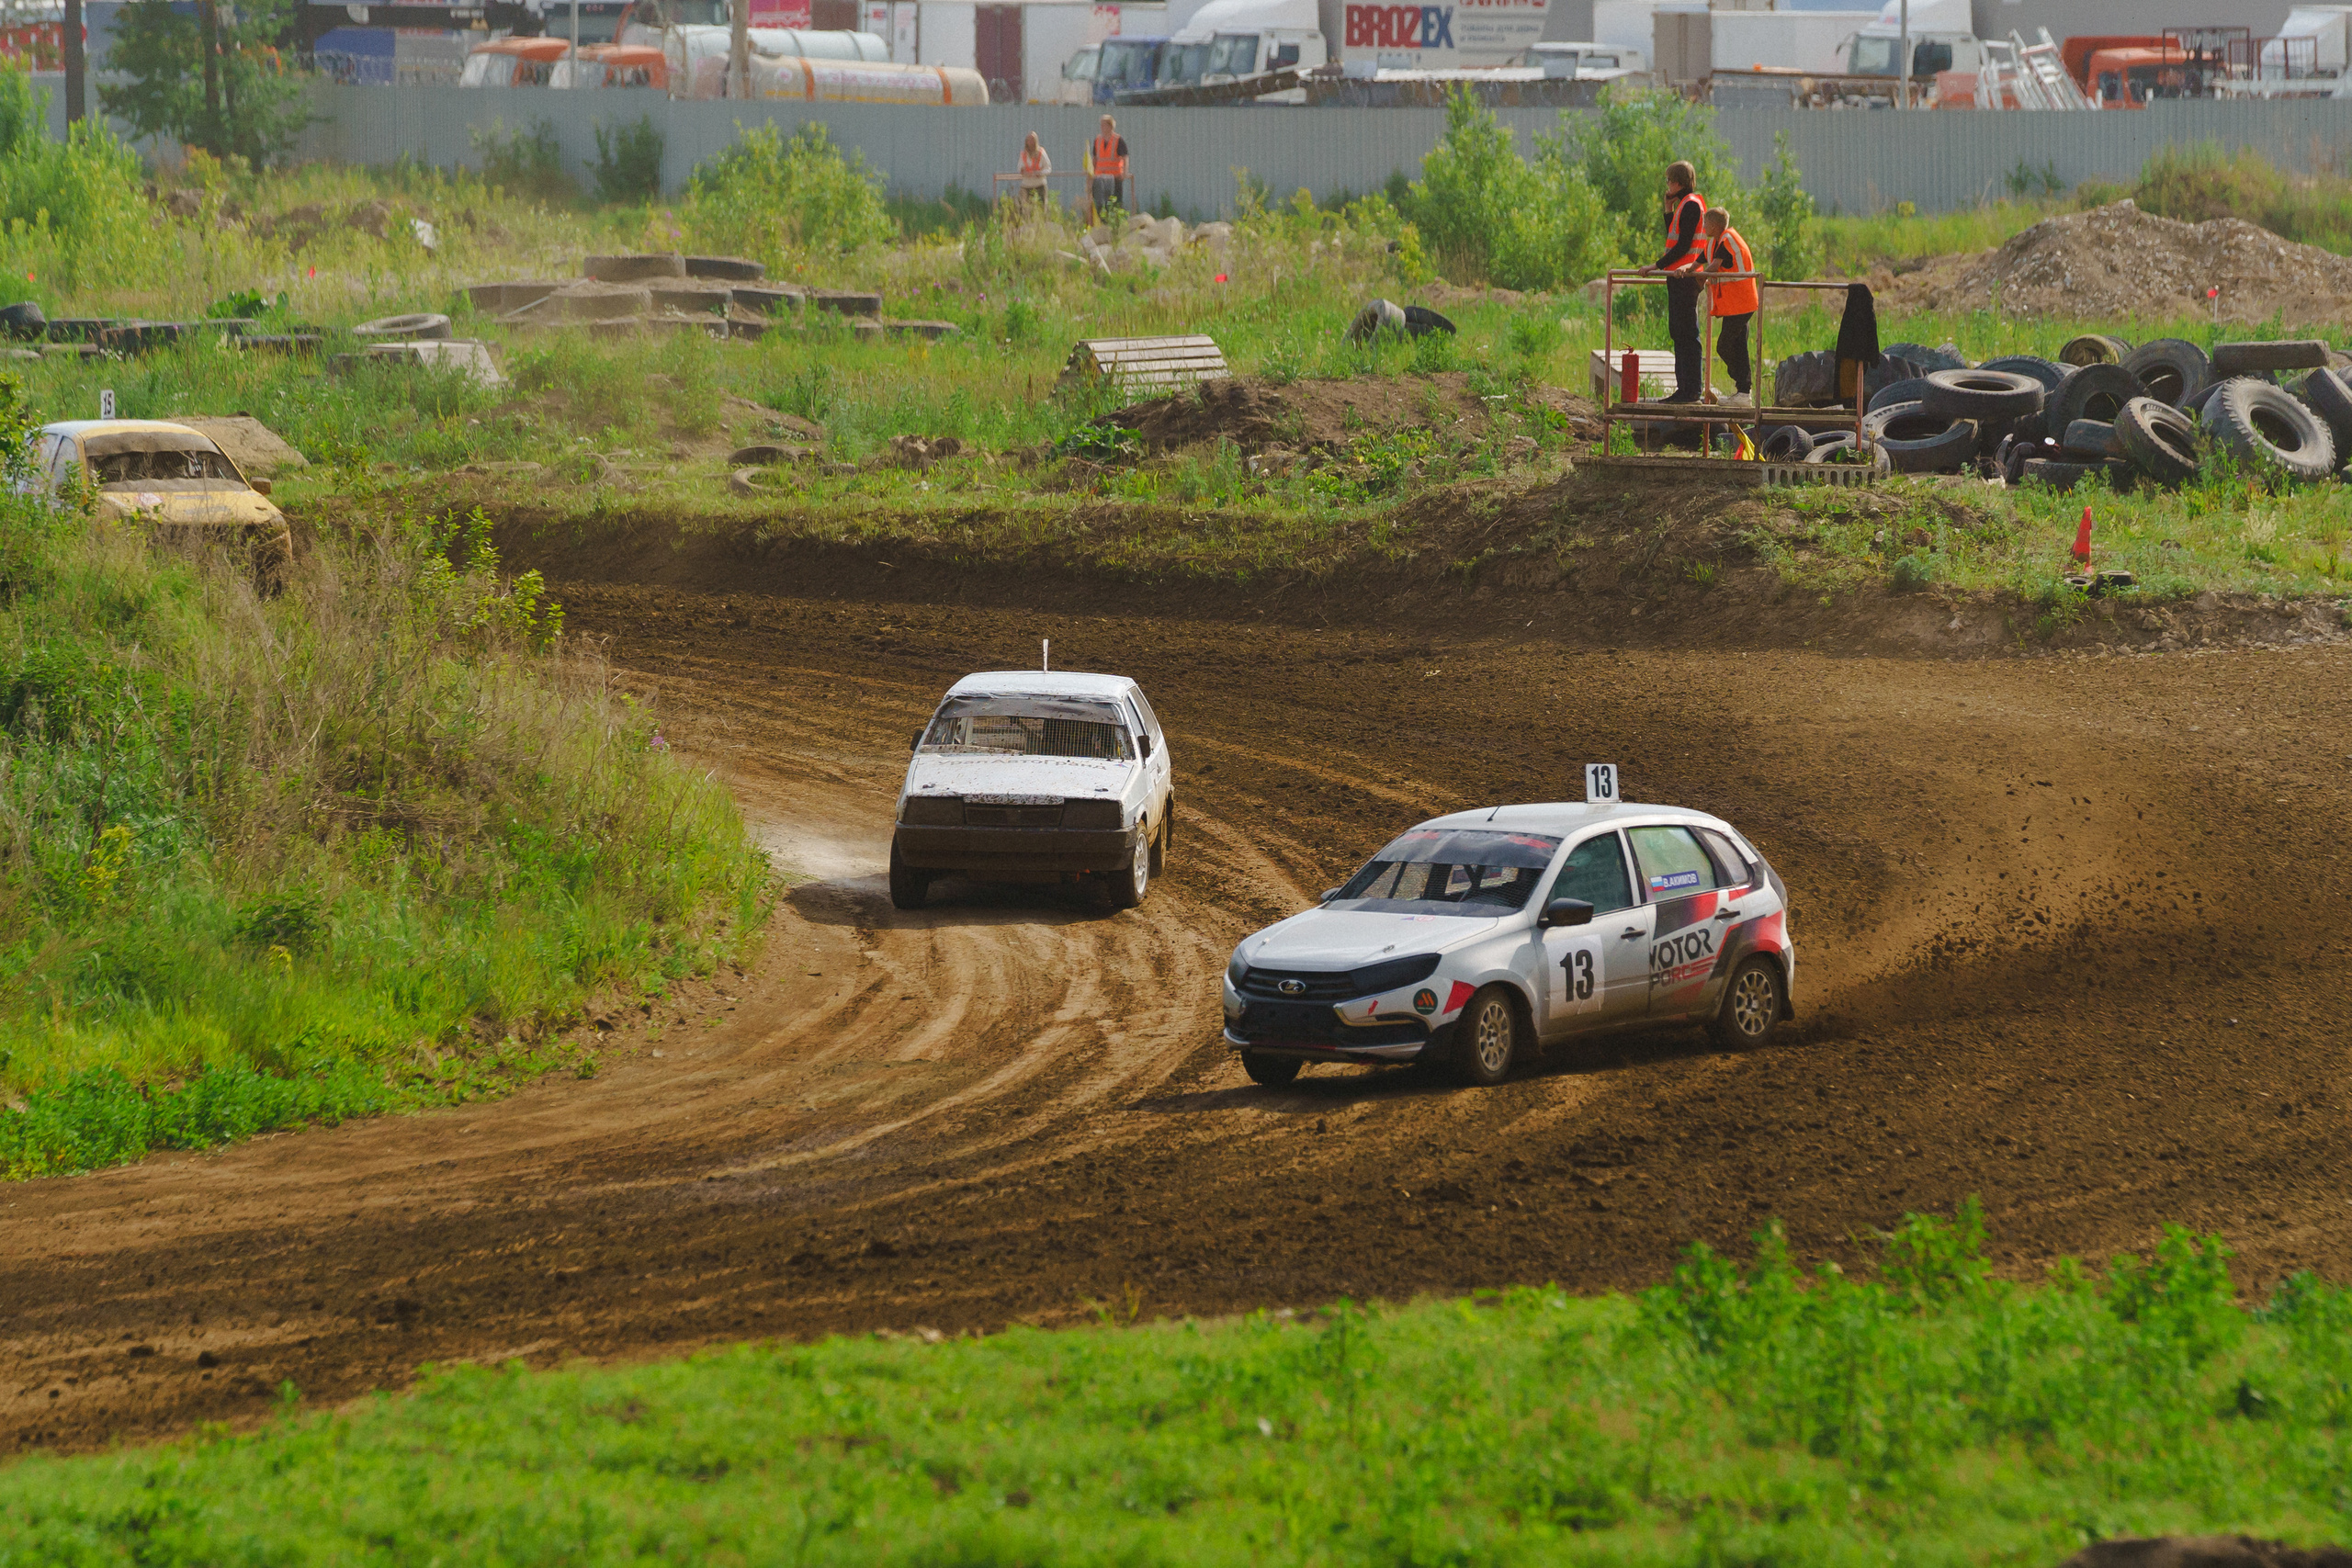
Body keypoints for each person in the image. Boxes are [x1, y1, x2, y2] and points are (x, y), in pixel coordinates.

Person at [1642, 160, 1707, 403]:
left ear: (1678, 182)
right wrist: (1667, 210)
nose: (1667, 185)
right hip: (1678, 276)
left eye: (1669, 181)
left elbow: (1682, 246)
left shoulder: (1690, 205)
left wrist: (1655, 266)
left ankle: (1690, 391)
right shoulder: (1684, 205)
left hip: (1685, 277)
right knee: (1679, 332)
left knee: (1687, 334)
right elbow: (1674, 234)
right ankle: (1685, 389)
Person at [1700, 207, 1758, 403]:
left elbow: (1714, 267)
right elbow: (1698, 261)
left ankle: (1743, 385)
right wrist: (1685, 271)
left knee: (1724, 346)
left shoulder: (1727, 241)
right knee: (1739, 346)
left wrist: (1699, 281)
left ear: (1715, 226)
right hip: (1735, 304)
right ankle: (1743, 393)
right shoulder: (1714, 243)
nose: (1703, 226)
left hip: (1742, 302)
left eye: (1706, 223)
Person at [1089, 115, 1129, 219]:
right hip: (1100, 178)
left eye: (1104, 125)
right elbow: (1095, 158)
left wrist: (1125, 172)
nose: (1101, 127)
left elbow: (1125, 157)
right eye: (1101, 125)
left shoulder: (1118, 140)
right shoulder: (1097, 140)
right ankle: (1102, 224)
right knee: (1100, 204)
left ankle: (1115, 228)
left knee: (1115, 203)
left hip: (1114, 178)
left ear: (1110, 126)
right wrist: (1092, 174)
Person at [1018, 130, 1051, 209]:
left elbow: (1048, 168)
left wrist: (1040, 173)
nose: (1031, 142)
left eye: (1032, 139)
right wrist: (1023, 171)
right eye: (1029, 140)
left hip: (1040, 185)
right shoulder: (1023, 154)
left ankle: (1043, 220)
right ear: (1026, 142)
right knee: (1024, 208)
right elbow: (1019, 168)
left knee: (1042, 208)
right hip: (1026, 186)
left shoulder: (1041, 152)